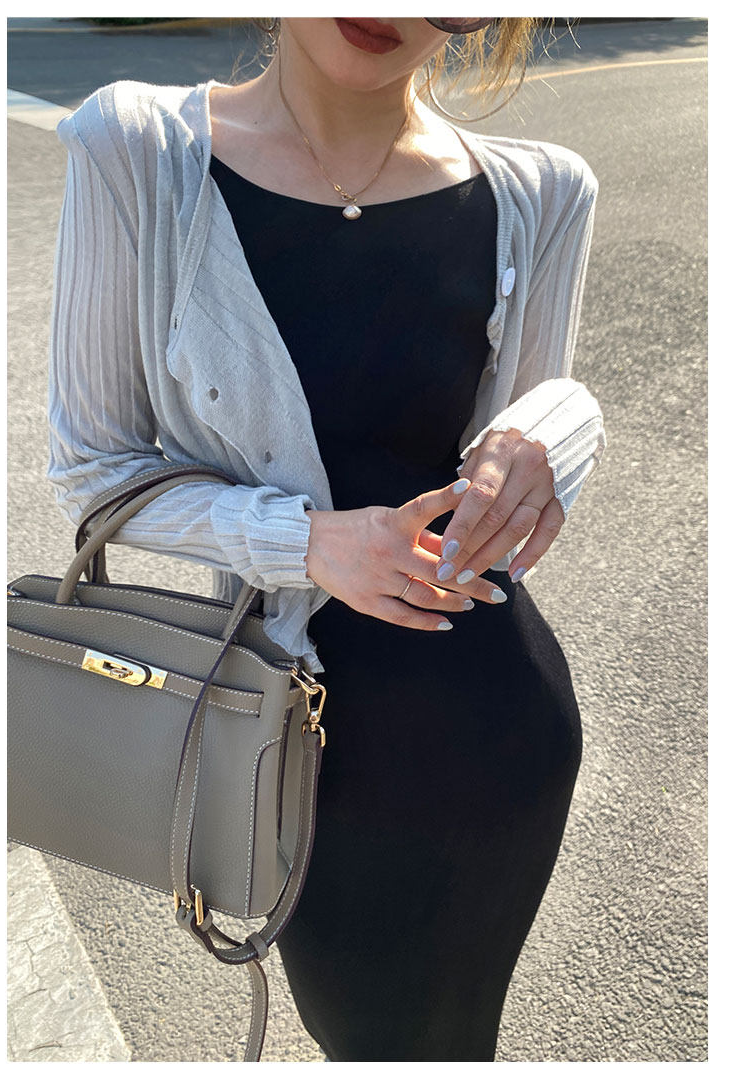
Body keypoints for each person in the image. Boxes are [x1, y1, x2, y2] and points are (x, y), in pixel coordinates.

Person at [47, 17, 606, 1062]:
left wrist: (557, 433)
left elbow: (535, 415)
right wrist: (307, 542)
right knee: (362, 1034)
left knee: (462, 1036)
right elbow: (97, 472)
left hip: (498, 725)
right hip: (295, 742)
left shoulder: (543, 189)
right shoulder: (137, 148)